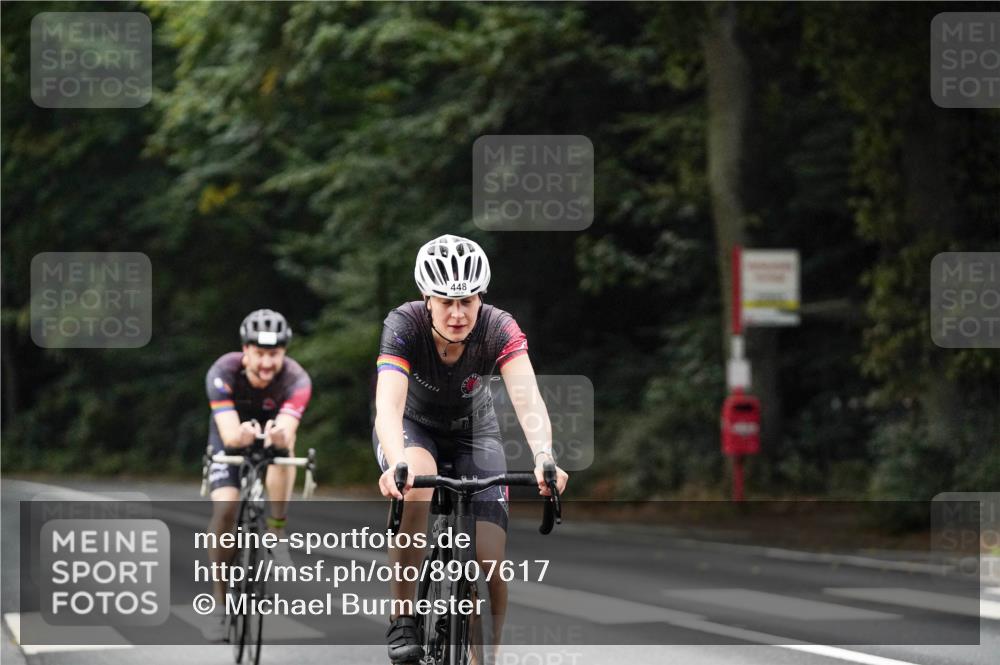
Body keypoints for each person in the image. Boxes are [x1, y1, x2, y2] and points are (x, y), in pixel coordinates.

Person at [374, 234, 569, 663]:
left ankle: (488, 657)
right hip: (413, 428)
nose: (458, 313)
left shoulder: (499, 327)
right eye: (446, 301)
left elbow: (528, 398)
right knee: (417, 486)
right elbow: (387, 405)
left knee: (491, 563)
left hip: (474, 433)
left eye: (468, 300)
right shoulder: (403, 325)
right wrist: (397, 462)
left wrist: (543, 455)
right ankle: (403, 616)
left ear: (481, 296)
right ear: (427, 297)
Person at [201, 309, 312, 641]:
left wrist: (278, 435)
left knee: (283, 455)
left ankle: (277, 529)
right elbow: (230, 434)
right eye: (260, 353)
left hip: (270, 435)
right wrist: (242, 436)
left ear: (284, 353)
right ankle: (221, 605)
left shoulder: (296, 379)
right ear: (245, 350)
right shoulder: (222, 371)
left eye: (274, 354)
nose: (266, 363)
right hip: (230, 434)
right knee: (226, 508)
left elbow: (288, 432)